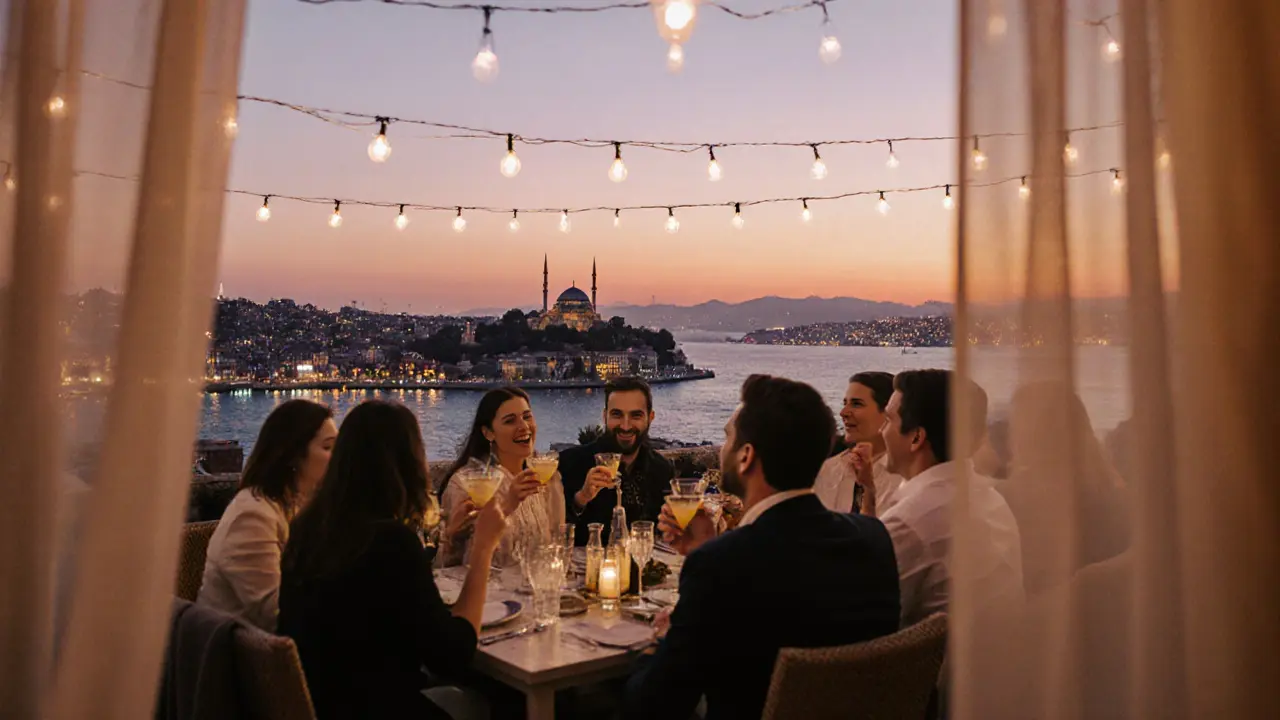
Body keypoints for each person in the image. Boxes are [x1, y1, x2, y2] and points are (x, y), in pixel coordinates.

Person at [625, 375, 901, 720]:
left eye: (727, 437)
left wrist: (661, 640)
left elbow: (655, 704)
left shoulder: (722, 564)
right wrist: (708, 550)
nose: (722, 447)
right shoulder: (873, 538)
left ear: (746, 457)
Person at [278, 400, 507, 720]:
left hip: (322, 705)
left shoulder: (306, 530)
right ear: (405, 462)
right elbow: (452, 655)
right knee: (492, 704)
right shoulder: (389, 541)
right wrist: (483, 549)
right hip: (380, 708)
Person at [862, 370, 1023, 628]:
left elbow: (861, 615)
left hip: (929, 666)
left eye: (888, 421)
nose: (881, 431)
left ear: (916, 437)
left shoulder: (911, 522)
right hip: (996, 660)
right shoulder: (991, 500)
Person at [197, 399, 336, 631]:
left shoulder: (301, 506)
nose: (338, 457)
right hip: (240, 657)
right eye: (328, 447)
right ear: (293, 454)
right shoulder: (252, 516)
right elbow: (276, 615)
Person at [1000, 382, 1131, 597]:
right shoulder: (1118, 496)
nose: (1010, 439)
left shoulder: (1009, 502)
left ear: (1029, 438)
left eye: (1014, 428)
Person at [437, 387, 564, 567]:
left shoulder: (545, 475)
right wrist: (508, 504)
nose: (524, 427)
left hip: (535, 588)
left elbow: (557, 541)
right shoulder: (468, 484)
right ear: (488, 433)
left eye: (527, 417)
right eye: (510, 421)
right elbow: (454, 561)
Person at [559, 377, 675, 545]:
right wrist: (581, 498)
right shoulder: (570, 462)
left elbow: (665, 534)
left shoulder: (662, 469)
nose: (626, 426)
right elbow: (552, 529)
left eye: (636, 415)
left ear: (650, 417)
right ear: (605, 416)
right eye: (617, 415)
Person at [813, 371, 904, 515]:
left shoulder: (904, 478)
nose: (843, 412)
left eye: (856, 404)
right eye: (845, 404)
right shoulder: (828, 470)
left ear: (889, 412)